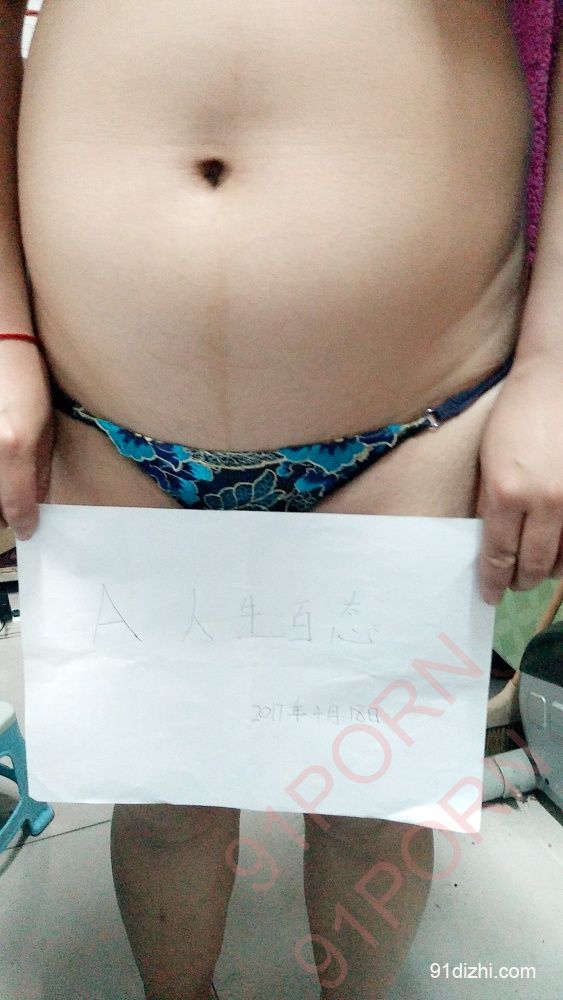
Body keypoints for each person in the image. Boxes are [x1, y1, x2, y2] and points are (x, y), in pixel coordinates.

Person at [1, 2, 561, 998]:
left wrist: (555, 361)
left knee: (369, 808)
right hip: (102, 410)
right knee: (164, 798)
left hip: (419, 415)